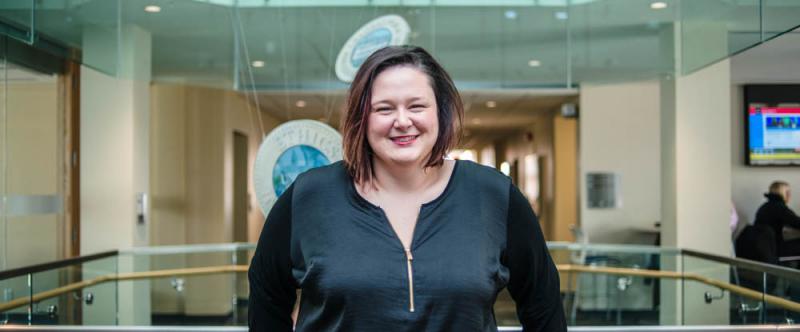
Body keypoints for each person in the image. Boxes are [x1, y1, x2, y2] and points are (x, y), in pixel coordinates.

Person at [248, 46, 566, 331]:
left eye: (416, 106)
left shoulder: (494, 195)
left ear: (440, 113)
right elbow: (267, 300)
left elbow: (544, 307)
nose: (402, 121)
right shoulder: (310, 196)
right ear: (362, 118)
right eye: (384, 109)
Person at [753, 181, 800, 257]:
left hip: (765, 248)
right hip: (775, 248)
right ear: (781, 193)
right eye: (787, 192)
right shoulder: (779, 207)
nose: (789, 195)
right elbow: (797, 223)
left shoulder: (765, 206)